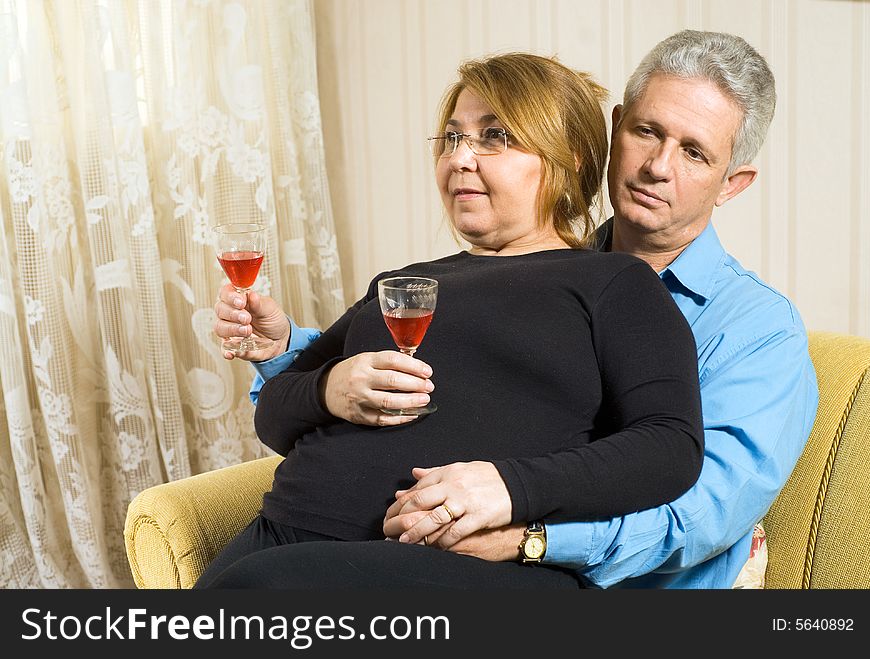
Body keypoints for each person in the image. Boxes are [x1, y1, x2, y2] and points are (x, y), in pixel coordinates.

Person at [213, 30, 819, 589]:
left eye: (694, 153)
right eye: (646, 132)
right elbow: (442, 381)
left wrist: (529, 534)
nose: (658, 167)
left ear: (732, 182)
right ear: (611, 133)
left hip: (580, 581)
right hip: (317, 542)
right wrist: (301, 362)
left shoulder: (749, 328)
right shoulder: (466, 276)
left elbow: (693, 504)